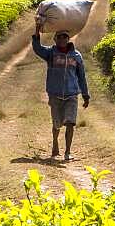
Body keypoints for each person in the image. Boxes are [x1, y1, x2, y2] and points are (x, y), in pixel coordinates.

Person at [32, 19, 90, 161]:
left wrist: (85, 94)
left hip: (71, 95)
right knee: (57, 123)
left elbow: (81, 76)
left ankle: (68, 152)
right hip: (55, 94)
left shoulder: (76, 56)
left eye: (65, 36)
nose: (62, 39)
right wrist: (37, 30)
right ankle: (55, 143)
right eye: (59, 37)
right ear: (55, 39)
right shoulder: (50, 53)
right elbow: (37, 48)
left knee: (70, 122)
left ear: (68, 39)